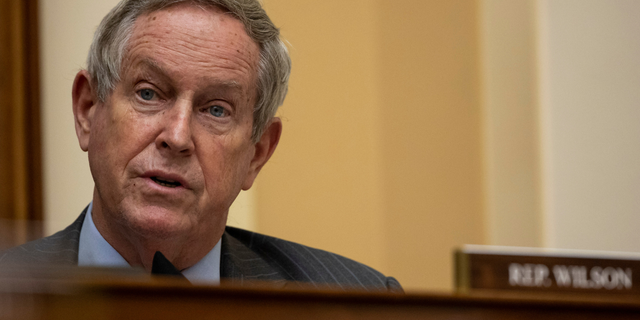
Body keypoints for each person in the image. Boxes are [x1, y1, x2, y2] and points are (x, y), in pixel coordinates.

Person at [0, 0, 402, 292]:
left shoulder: (358, 302)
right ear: (88, 110)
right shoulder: (10, 293)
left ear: (256, 154)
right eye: (148, 93)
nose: (176, 137)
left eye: (216, 110)